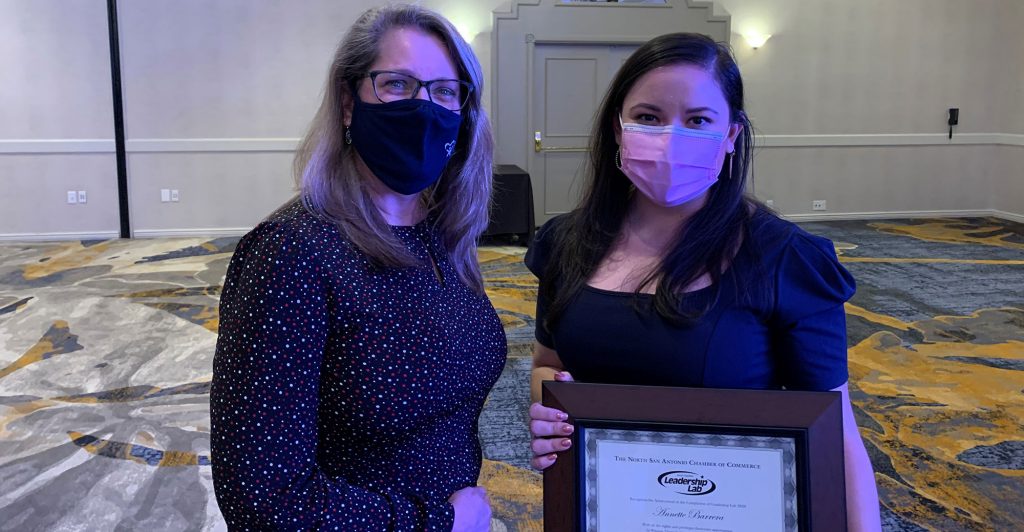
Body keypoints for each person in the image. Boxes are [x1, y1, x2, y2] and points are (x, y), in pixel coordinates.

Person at [526, 33, 882, 531]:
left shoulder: (784, 259)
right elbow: (548, 366)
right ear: (618, 128)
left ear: (731, 134)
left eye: (697, 120)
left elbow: (836, 432)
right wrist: (548, 411)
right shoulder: (565, 243)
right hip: (603, 507)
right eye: (648, 117)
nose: (671, 137)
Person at [210, 5, 504, 531]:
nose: (423, 107)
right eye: (396, 84)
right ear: (349, 103)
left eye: (445, 91)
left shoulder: (442, 233)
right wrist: (437, 522)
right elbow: (262, 500)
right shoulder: (290, 254)